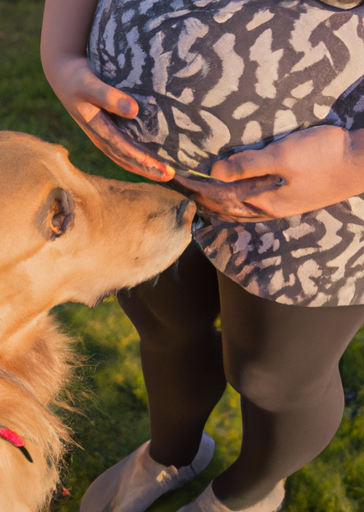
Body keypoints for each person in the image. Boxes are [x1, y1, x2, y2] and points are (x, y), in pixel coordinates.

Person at [41, 0, 364, 510]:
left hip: (317, 201)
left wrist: (352, 162)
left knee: (274, 377)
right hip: (153, 172)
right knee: (161, 319)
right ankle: (172, 453)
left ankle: (247, 493)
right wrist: (59, 53)